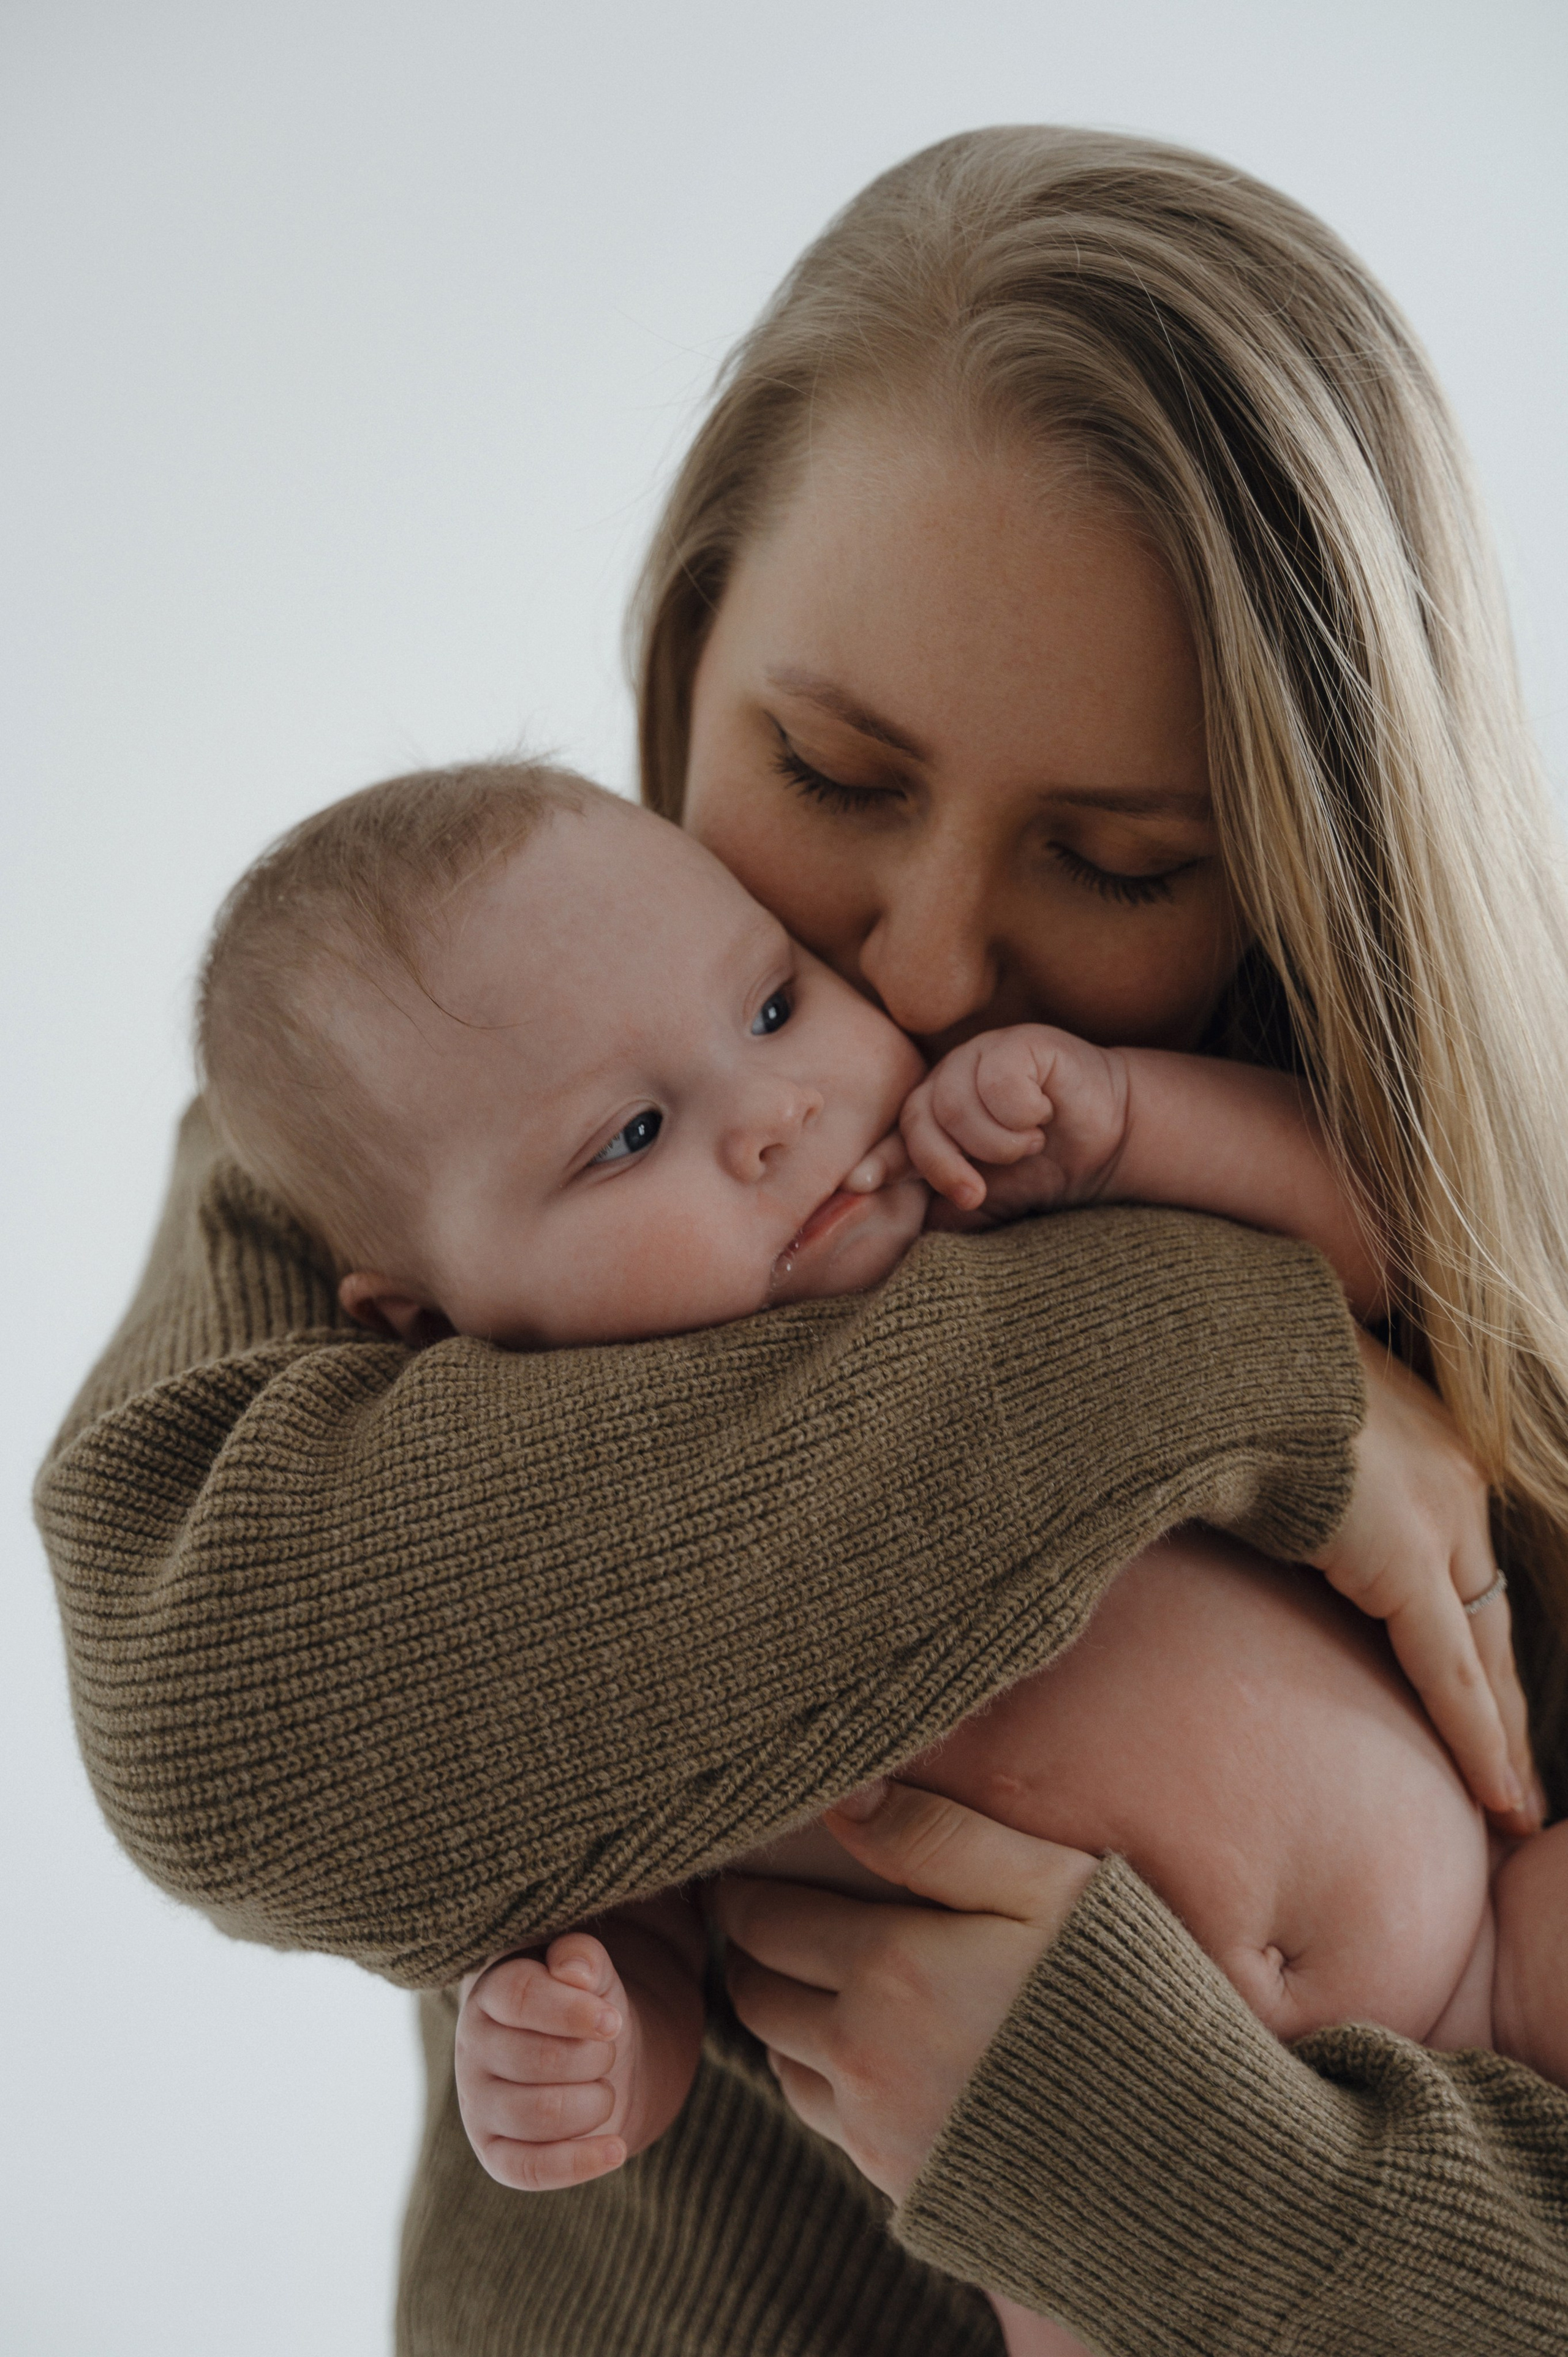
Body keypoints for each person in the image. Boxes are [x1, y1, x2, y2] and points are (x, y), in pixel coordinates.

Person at [34, 126, 1568, 2353]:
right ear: (687, 644)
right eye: (836, 782)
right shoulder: (438, 1083)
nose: (926, 975)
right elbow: (228, 1713)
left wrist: (1180, 2173)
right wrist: (1248, 1368)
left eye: (1121, 865)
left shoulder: (1476, 1217)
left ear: (1316, 870)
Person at [189, 747, 1568, 2357]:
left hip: (1495, 1930)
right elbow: (639, 1928)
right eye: (631, 1136)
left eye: (775, 1007)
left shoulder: (996, 1193)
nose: (776, 1115)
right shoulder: (580, 1531)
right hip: (1072, 2192)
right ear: (427, 1320)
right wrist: (587, 2045)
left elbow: (1392, 1230)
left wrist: (1131, 1126)